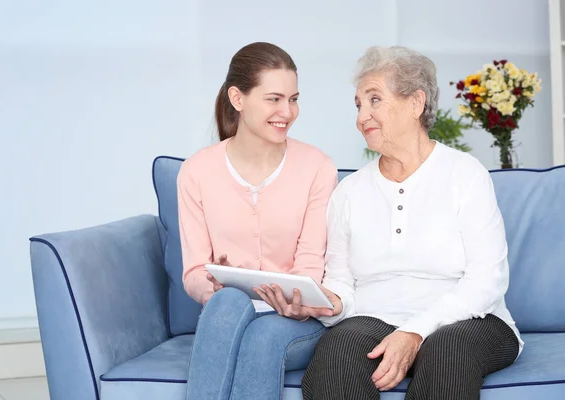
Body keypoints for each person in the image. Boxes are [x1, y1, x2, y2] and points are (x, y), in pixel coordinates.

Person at [301, 46, 523, 400]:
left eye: (375, 100)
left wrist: (415, 331)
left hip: (469, 321)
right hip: (375, 318)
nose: (362, 117)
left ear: (416, 103)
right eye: (358, 104)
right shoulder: (350, 191)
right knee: (337, 350)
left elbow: (487, 282)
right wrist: (330, 303)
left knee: (447, 350)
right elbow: (341, 282)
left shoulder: (464, 174)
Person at [176, 42, 338, 400]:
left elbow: (310, 264)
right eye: (274, 99)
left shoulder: (317, 168)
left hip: (295, 322)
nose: (288, 112)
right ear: (238, 98)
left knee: (263, 337)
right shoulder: (197, 171)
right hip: (227, 311)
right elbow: (193, 271)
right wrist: (211, 286)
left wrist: (297, 302)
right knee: (227, 302)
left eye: (293, 99)